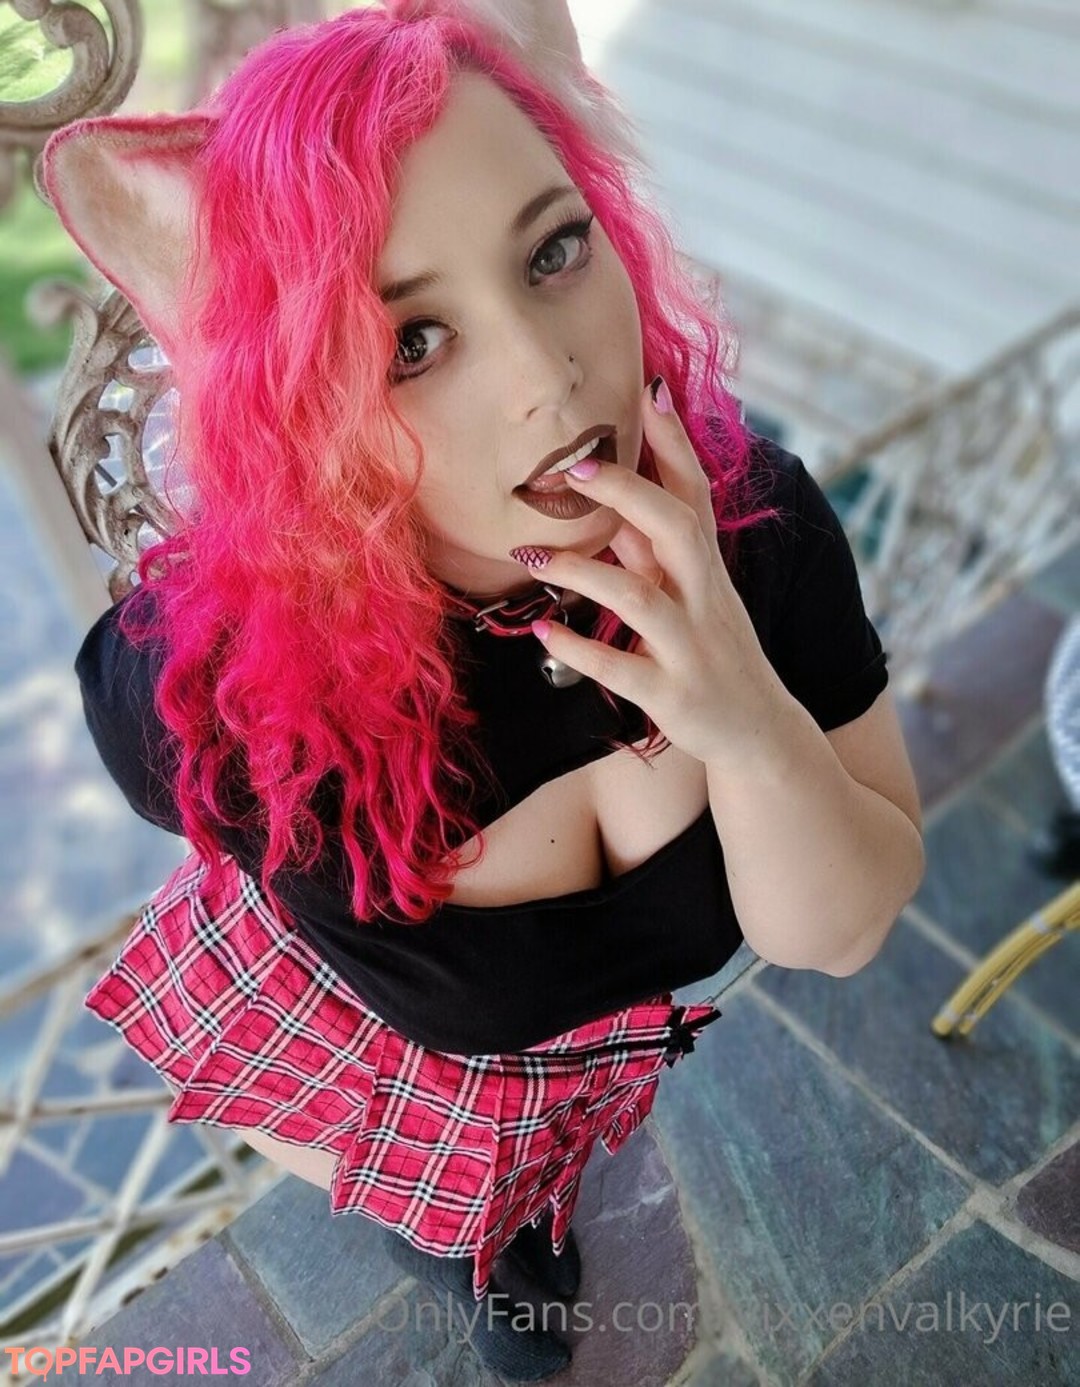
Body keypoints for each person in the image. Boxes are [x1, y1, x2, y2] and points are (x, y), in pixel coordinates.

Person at [43, 2, 926, 1378]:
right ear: (302, 407)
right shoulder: (218, 688)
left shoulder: (757, 526)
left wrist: (745, 713)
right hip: (412, 1075)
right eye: (409, 342)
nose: (549, 378)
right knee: (471, 1222)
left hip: (603, 1057)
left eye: (555, 250)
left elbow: (842, 932)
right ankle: (481, 1258)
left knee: (554, 1151)